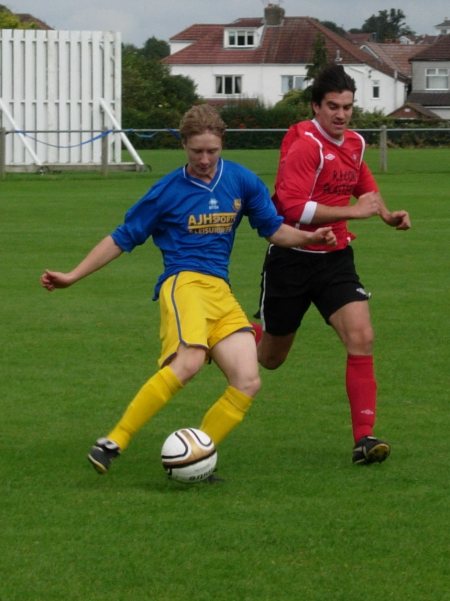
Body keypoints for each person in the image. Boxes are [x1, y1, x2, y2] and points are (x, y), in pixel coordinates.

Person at [40, 104, 336, 476]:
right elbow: (121, 238)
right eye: (197, 151)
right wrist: (73, 275)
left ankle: (196, 456)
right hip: (184, 283)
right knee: (190, 362)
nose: (206, 159)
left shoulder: (241, 181)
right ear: (184, 145)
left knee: (248, 381)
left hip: (220, 292)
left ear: (222, 144)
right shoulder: (166, 191)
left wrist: (308, 236)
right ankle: (114, 440)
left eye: (212, 150)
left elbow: (274, 229)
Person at [254, 64, 411, 465]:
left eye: (347, 107)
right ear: (315, 107)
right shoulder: (305, 144)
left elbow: (364, 187)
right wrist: (353, 214)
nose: (341, 115)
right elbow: (290, 206)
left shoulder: (355, 143)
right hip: (292, 257)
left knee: (362, 336)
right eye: (333, 107)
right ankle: (233, 335)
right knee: (271, 358)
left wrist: (386, 214)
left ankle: (365, 439)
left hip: (335, 260)